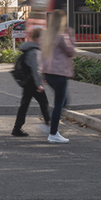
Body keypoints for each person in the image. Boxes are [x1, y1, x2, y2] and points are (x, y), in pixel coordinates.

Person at [41, 12, 76, 144]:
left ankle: (50, 127)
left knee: (61, 103)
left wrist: (43, 74)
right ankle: (53, 132)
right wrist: (71, 36)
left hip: (49, 74)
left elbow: (43, 56)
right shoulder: (62, 36)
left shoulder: (46, 35)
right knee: (59, 105)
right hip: (60, 74)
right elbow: (71, 52)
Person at [12, 26, 51, 137]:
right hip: (33, 83)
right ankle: (49, 126)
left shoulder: (29, 49)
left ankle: (17, 128)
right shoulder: (34, 51)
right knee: (44, 103)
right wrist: (39, 84)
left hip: (27, 82)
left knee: (24, 105)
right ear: (38, 38)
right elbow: (36, 69)